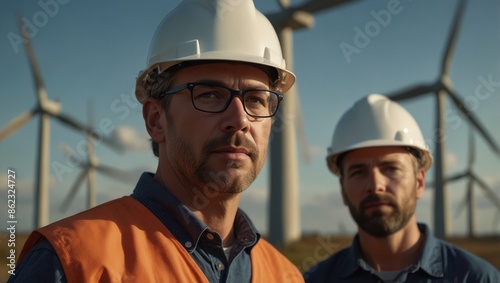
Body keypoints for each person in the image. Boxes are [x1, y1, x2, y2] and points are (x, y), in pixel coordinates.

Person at [9, 1, 304, 282]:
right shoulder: (70, 263)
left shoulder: (286, 275)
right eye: (209, 94)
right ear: (155, 120)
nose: (239, 119)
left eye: (255, 99)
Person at [304, 94, 500, 282]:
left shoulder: (478, 278)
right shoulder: (312, 280)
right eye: (358, 172)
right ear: (342, 189)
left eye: (391, 169)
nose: (375, 185)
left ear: (419, 182)